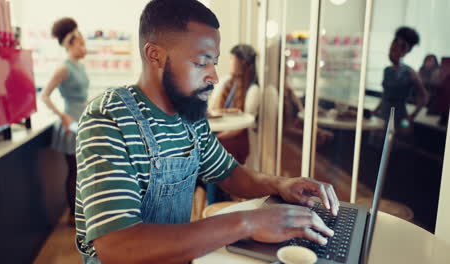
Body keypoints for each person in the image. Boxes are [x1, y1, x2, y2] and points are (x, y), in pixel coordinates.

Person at [75, 1, 339, 263]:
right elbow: (117, 247)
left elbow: (230, 173)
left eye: (214, 62)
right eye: (202, 63)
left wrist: (281, 184)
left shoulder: (190, 116)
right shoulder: (107, 119)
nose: (213, 76)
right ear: (155, 55)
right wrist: (246, 223)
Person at [41, 17, 89, 224]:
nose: (84, 47)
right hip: (71, 123)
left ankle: (80, 211)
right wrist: (62, 116)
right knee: (75, 169)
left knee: (82, 169)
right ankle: (73, 215)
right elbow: (45, 95)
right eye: (81, 43)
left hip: (82, 119)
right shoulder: (64, 68)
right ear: (70, 44)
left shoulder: (80, 66)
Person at [209, 44, 260, 164]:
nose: (230, 62)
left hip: (234, 139)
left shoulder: (253, 90)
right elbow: (212, 109)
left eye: (233, 59)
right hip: (217, 134)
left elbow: (242, 126)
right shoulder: (224, 81)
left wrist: (216, 138)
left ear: (243, 63)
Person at [374, 27, 428, 128]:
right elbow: (385, 96)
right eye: (390, 49)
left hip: (399, 118)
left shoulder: (410, 72)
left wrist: (411, 117)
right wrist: (375, 111)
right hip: (382, 115)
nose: (390, 53)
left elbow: (424, 97)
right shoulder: (387, 70)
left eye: (394, 50)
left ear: (404, 52)